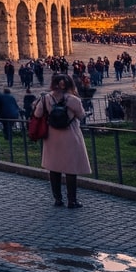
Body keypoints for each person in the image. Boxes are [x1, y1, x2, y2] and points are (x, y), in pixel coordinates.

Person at [38, 75, 90, 208]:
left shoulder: (46, 98)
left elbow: (37, 114)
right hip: (70, 136)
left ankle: (58, 199)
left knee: (54, 169)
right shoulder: (73, 99)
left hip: (52, 137)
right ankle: (72, 201)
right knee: (71, 170)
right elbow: (81, 115)